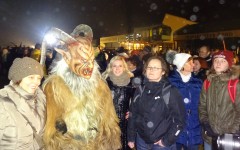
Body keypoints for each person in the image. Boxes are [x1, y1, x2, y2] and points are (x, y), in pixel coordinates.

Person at [127, 55, 185, 150]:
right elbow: (133, 114)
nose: (151, 70)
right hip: (142, 140)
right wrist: (131, 137)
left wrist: (166, 140)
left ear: (163, 72)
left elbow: (180, 120)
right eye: (149, 67)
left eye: (156, 68)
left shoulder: (170, 91)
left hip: (161, 143)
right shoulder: (140, 90)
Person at [0, 57, 46, 149]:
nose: (36, 82)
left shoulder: (41, 100)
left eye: (39, 78)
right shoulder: (3, 103)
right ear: (18, 78)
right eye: (31, 77)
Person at [199, 50, 240, 150]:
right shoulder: (207, 82)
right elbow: (202, 106)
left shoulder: (235, 84)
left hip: (229, 137)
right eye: (216, 60)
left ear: (229, 64)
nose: (218, 63)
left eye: (223, 61)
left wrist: (232, 131)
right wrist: (206, 123)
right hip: (210, 136)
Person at [168, 53, 203, 150]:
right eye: (190, 63)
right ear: (182, 65)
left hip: (194, 126)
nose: (193, 65)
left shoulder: (198, 82)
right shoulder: (170, 81)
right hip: (175, 126)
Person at [102, 55, 134, 150]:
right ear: (110, 67)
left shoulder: (131, 83)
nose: (117, 68)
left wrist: (132, 112)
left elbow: (137, 102)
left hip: (125, 122)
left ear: (124, 67)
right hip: (108, 121)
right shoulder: (104, 82)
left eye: (120, 66)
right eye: (114, 66)